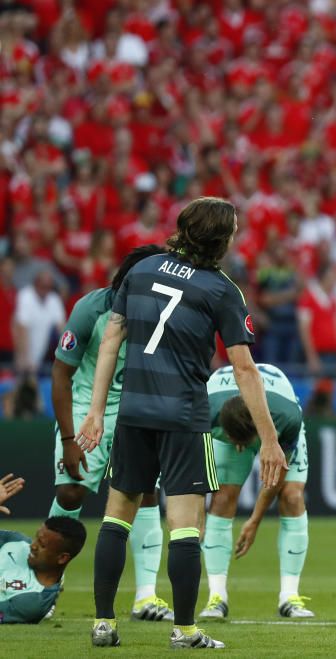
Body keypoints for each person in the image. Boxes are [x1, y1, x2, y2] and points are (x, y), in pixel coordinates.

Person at [76, 197, 288, 649]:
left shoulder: (142, 269)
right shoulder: (221, 290)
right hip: (184, 415)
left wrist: (97, 410)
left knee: (116, 518)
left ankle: (103, 622)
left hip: (133, 410)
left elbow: (111, 338)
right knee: (187, 525)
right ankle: (186, 629)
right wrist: (269, 440)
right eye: (232, 230)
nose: (235, 237)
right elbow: (245, 370)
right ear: (219, 238)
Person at [48, 245, 174, 622]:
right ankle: (49, 585)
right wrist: (70, 439)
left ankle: (146, 597)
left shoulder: (160, 310)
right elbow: (60, 374)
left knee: (145, 492)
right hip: (89, 407)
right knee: (70, 492)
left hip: (136, 410)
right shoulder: (92, 307)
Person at [199, 363, 314, 620]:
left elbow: (276, 478)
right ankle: (216, 597)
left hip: (272, 421)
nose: (240, 447)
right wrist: (198, 514)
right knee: (222, 496)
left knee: (292, 496)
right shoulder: (204, 410)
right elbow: (195, 467)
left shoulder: (287, 418)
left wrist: (254, 521)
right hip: (225, 409)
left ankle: (289, 597)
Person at [0, 517, 87, 624]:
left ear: (62, 558)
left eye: (42, 545)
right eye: (36, 538)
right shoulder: (16, 541)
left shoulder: (32, 602)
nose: (32, 546)